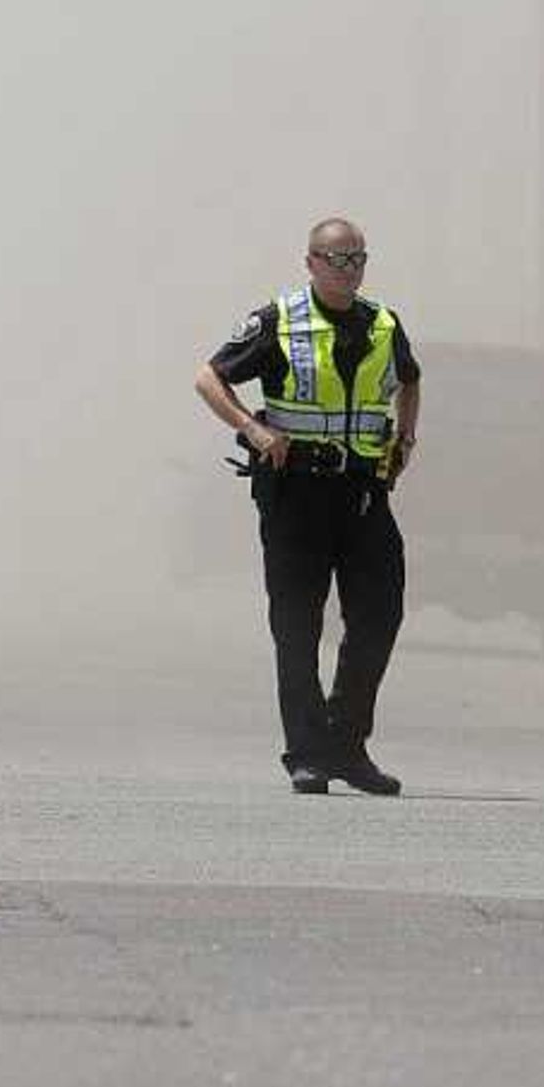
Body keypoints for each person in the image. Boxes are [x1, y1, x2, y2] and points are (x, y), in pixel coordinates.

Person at [192, 217, 422, 795]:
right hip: (296, 493)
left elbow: (411, 379)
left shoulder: (382, 324)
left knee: (380, 616)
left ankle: (347, 744)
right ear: (311, 263)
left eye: (358, 259)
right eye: (337, 259)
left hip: (364, 493)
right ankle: (306, 752)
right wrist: (252, 429)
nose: (349, 270)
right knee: (297, 626)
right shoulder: (280, 322)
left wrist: (406, 438)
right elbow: (209, 378)